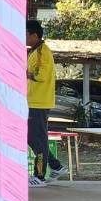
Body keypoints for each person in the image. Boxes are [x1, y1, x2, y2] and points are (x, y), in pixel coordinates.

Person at [27, 19, 65, 185]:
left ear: (34, 35)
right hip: (32, 101)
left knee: (37, 139)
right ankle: (56, 166)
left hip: (39, 102)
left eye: (25, 34)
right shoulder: (34, 51)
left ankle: (40, 175)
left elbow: (41, 74)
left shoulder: (43, 51)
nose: (23, 37)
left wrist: (26, 73)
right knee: (32, 138)